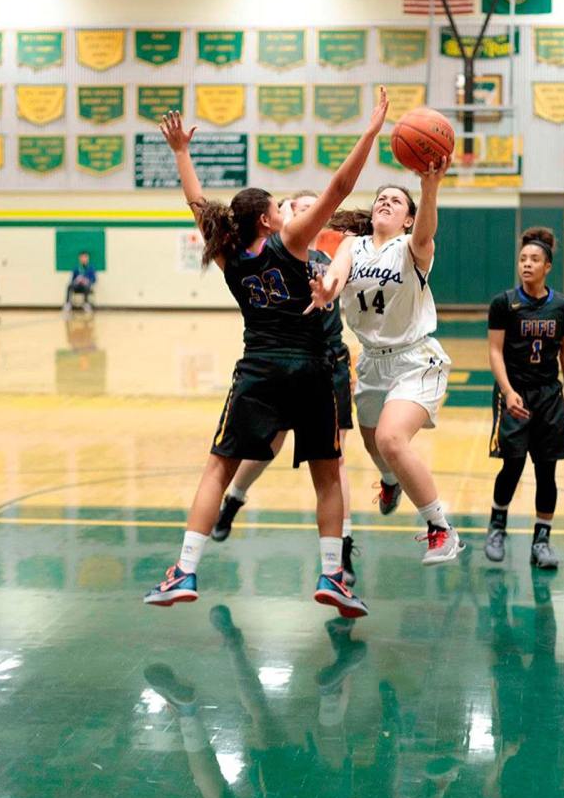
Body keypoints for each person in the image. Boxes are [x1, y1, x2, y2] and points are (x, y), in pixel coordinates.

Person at [144, 90, 388, 617]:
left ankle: (184, 570)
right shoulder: (291, 241)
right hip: (312, 369)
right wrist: (369, 135)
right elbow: (340, 188)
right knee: (327, 471)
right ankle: (332, 576)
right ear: (266, 220)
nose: (284, 211)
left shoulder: (228, 254)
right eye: (278, 207)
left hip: (257, 368)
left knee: (218, 469)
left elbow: (196, 202)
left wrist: (181, 152)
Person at [308, 161, 461, 565]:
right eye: (381, 199)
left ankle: (441, 527)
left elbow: (427, 230)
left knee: (392, 440)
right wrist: (327, 289)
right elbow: (338, 275)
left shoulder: (412, 247)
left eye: (396, 201)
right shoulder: (351, 245)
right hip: (373, 362)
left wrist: (429, 188)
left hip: (415, 359)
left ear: (407, 218)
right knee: (373, 441)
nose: (385, 203)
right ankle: (390, 479)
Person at [211, 189, 359, 586]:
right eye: (299, 208)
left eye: (315, 208)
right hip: (283, 362)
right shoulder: (278, 252)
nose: (307, 213)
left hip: (329, 362)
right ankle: (234, 499)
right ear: (285, 216)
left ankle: (341, 552)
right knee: (269, 444)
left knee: (335, 459)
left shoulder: (335, 253)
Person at [485, 227, 564, 568]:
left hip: (549, 395)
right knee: (512, 464)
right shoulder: (504, 303)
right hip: (515, 393)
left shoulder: (562, 306)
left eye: (534, 260)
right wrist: (507, 392)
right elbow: (494, 352)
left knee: (547, 470)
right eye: (523, 259)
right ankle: (497, 526)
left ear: (547, 266)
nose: (527, 265)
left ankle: (542, 540)